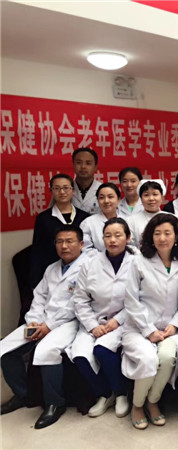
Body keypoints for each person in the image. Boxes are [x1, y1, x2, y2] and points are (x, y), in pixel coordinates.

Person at [1, 225, 89, 429]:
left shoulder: (88, 267)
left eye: (69, 241)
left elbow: (77, 304)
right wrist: (33, 320)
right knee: (5, 349)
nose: (64, 246)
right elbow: (39, 297)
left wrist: (49, 326)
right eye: (60, 242)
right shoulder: (51, 268)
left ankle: (55, 403)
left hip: (71, 322)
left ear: (81, 244)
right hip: (42, 319)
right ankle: (24, 394)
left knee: (46, 350)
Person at [121, 214, 178, 430]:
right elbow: (131, 300)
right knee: (148, 359)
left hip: (169, 329)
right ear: (150, 237)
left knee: (167, 358)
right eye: (157, 233)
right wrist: (148, 330)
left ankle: (152, 401)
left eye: (167, 233)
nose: (162, 238)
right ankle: (137, 405)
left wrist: (175, 325)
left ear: (176, 236)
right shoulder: (138, 262)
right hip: (139, 328)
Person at [69, 218, 133, 418]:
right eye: (107, 236)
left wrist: (117, 320)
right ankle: (104, 394)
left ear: (128, 238)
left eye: (118, 235)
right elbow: (80, 299)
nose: (112, 240)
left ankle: (121, 393)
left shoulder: (137, 262)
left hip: (124, 320)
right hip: (94, 319)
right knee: (79, 355)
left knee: (102, 349)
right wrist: (92, 325)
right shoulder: (90, 264)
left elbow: (141, 298)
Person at [29, 174, 90, 289]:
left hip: (81, 272)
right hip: (52, 273)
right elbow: (38, 250)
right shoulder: (43, 218)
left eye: (66, 188)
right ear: (51, 192)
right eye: (57, 188)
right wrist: (35, 282)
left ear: (73, 191)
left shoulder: (85, 217)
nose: (62, 192)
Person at [126, 179, 171, 248]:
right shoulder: (131, 221)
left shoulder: (171, 218)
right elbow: (130, 246)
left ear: (162, 197)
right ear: (141, 199)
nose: (151, 198)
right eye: (146, 195)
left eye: (155, 194)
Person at [80, 183, 121, 253]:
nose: (106, 201)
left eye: (110, 197)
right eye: (101, 198)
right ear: (97, 201)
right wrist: (105, 257)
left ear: (119, 199)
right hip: (96, 259)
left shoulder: (127, 221)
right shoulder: (88, 223)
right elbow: (85, 249)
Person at [71, 147, 102, 214]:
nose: (83, 167)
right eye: (79, 163)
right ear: (73, 165)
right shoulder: (64, 189)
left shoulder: (103, 189)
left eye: (88, 163)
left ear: (95, 166)